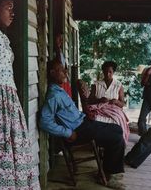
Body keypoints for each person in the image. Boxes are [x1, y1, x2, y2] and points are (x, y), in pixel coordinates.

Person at [0, 0, 40, 190]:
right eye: (8, 7)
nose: (13, 13)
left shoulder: (4, 38)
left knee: (15, 153)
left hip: (10, 105)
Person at [40, 60, 125, 189]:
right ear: (52, 73)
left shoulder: (59, 90)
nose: (65, 72)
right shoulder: (54, 95)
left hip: (84, 123)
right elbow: (44, 122)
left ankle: (106, 170)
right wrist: (67, 132)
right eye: (61, 70)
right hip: (79, 131)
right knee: (116, 137)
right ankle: (110, 175)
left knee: (118, 129)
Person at [86, 61, 130, 143]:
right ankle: (100, 141)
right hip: (99, 109)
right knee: (95, 118)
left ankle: (116, 141)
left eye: (110, 72)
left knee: (117, 119)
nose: (107, 74)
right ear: (102, 72)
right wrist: (99, 100)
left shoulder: (118, 85)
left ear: (113, 72)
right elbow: (90, 101)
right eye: (105, 72)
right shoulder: (96, 84)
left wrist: (116, 102)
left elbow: (122, 104)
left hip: (114, 110)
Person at [54, 32, 72, 97]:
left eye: (61, 39)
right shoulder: (55, 52)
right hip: (59, 79)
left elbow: (64, 65)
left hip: (64, 78)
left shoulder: (60, 50)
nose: (61, 41)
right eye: (59, 38)